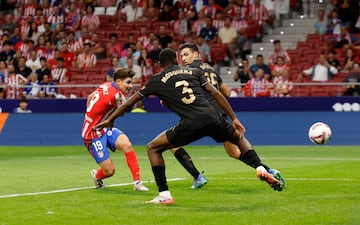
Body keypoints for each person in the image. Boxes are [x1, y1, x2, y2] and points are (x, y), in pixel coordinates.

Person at [94, 48, 286, 204]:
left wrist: (112, 118)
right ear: (176, 59)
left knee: (153, 147)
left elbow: (129, 102)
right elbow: (218, 94)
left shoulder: (157, 79)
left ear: (160, 64)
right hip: (213, 116)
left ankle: (164, 195)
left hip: (191, 123)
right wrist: (234, 118)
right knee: (238, 137)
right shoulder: (194, 72)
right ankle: (260, 167)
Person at [81, 67, 149, 191]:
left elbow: (90, 97)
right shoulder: (116, 95)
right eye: (128, 82)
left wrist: (90, 116)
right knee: (109, 171)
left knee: (126, 144)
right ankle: (96, 176)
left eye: (131, 82)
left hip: (103, 128)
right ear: (118, 82)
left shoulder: (106, 85)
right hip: (92, 134)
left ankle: (137, 183)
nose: (130, 86)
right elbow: (122, 110)